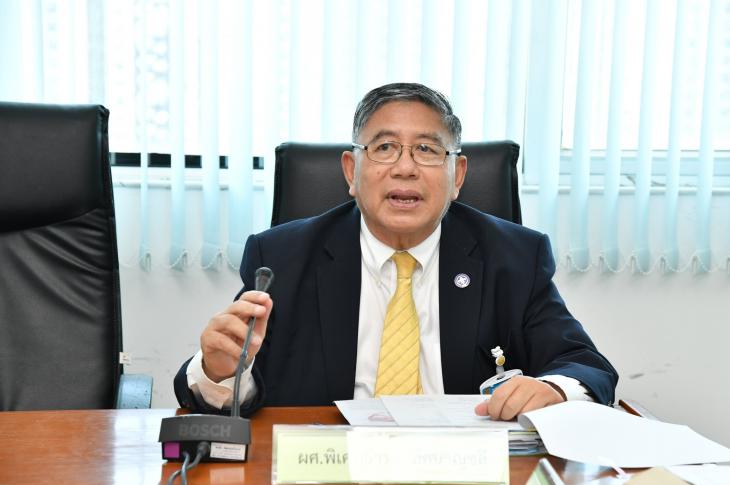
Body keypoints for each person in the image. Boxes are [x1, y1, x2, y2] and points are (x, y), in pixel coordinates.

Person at [174, 82, 617, 420]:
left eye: (426, 149)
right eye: (384, 148)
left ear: (458, 175)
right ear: (351, 170)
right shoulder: (282, 257)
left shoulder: (514, 257)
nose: (405, 168)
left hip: (463, 476)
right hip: (327, 472)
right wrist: (220, 372)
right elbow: (238, 387)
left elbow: (585, 367)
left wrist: (553, 389)